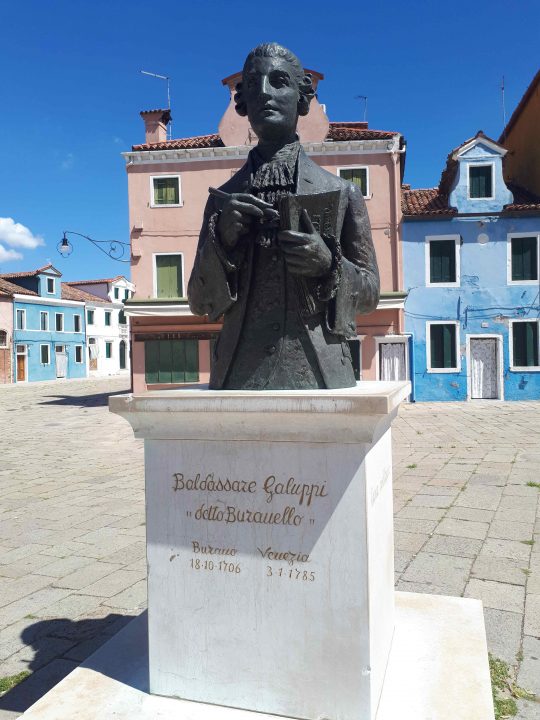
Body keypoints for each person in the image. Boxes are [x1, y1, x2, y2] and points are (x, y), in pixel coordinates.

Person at [188, 43, 380, 389]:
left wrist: (330, 265)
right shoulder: (221, 201)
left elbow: (370, 295)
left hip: (320, 373)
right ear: (243, 103)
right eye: (252, 84)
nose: (264, 93)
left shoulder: (343, 193)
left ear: (301, 97)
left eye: (278, 81)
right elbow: (198, 301)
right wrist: (222, 245)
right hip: (236, 374)